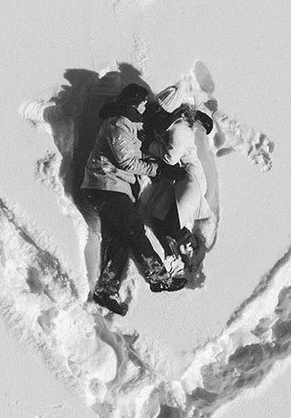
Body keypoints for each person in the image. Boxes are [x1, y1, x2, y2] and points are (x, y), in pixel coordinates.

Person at [81, 83, 187, 315]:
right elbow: (126, 162)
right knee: (133, 227)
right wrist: (159, 171)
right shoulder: (118, 125)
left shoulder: (128, 125)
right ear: (133, 103)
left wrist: (161, 164)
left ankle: (106, 290)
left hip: (112, 187)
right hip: (106, 185)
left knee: (119, 237)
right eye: (143, 102)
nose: (145, 105)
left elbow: (135, 153)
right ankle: (158, 277)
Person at [143, 93, 215, 271]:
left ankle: (192, 249)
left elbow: (170, 158)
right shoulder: (172, 126)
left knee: (172, 226)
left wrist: (150, 146)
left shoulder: (179, 129)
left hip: (191, 179)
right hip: (180, 178)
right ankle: (172, 251)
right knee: (158, 218)